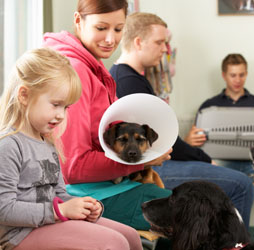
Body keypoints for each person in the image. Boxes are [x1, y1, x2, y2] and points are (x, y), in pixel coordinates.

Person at [110, 12, 254, 230]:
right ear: (138, 42)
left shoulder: (130, 78)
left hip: (159, 160)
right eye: (160, 42)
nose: (165, 49)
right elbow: (167, 144)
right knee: (242, 184)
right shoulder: (129, 83)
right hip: (154, 166)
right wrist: (205, 159)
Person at [43, 0, 172, 231]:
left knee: (193, 207)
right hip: (80, 195)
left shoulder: (94, 68)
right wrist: (141, 161)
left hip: (102, 186)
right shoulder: (77, 71)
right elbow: (72, 168)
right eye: (101, 28)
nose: (111, 39)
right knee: (195, 215)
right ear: (77, 21)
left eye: (118, 29)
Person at [0, 47, 142, 250]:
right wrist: (61, 210)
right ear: (24, 95)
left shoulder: (47, 143)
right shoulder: (9, 146)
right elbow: (3, 209)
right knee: (114, 243)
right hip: (20, 235)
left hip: (51, 221)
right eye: (56, 104)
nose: (61, 115)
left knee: (130, 237)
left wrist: (83, 205)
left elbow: (58, 193)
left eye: (65, 108)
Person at [185, 53, 254, 179]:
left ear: (246, 74)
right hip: (220, 162)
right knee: (208, 172)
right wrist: (188, 141)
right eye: (233, 75)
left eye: (241, 75)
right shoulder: (208, 107)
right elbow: (195, 143)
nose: (238, 80)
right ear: (224, 75)